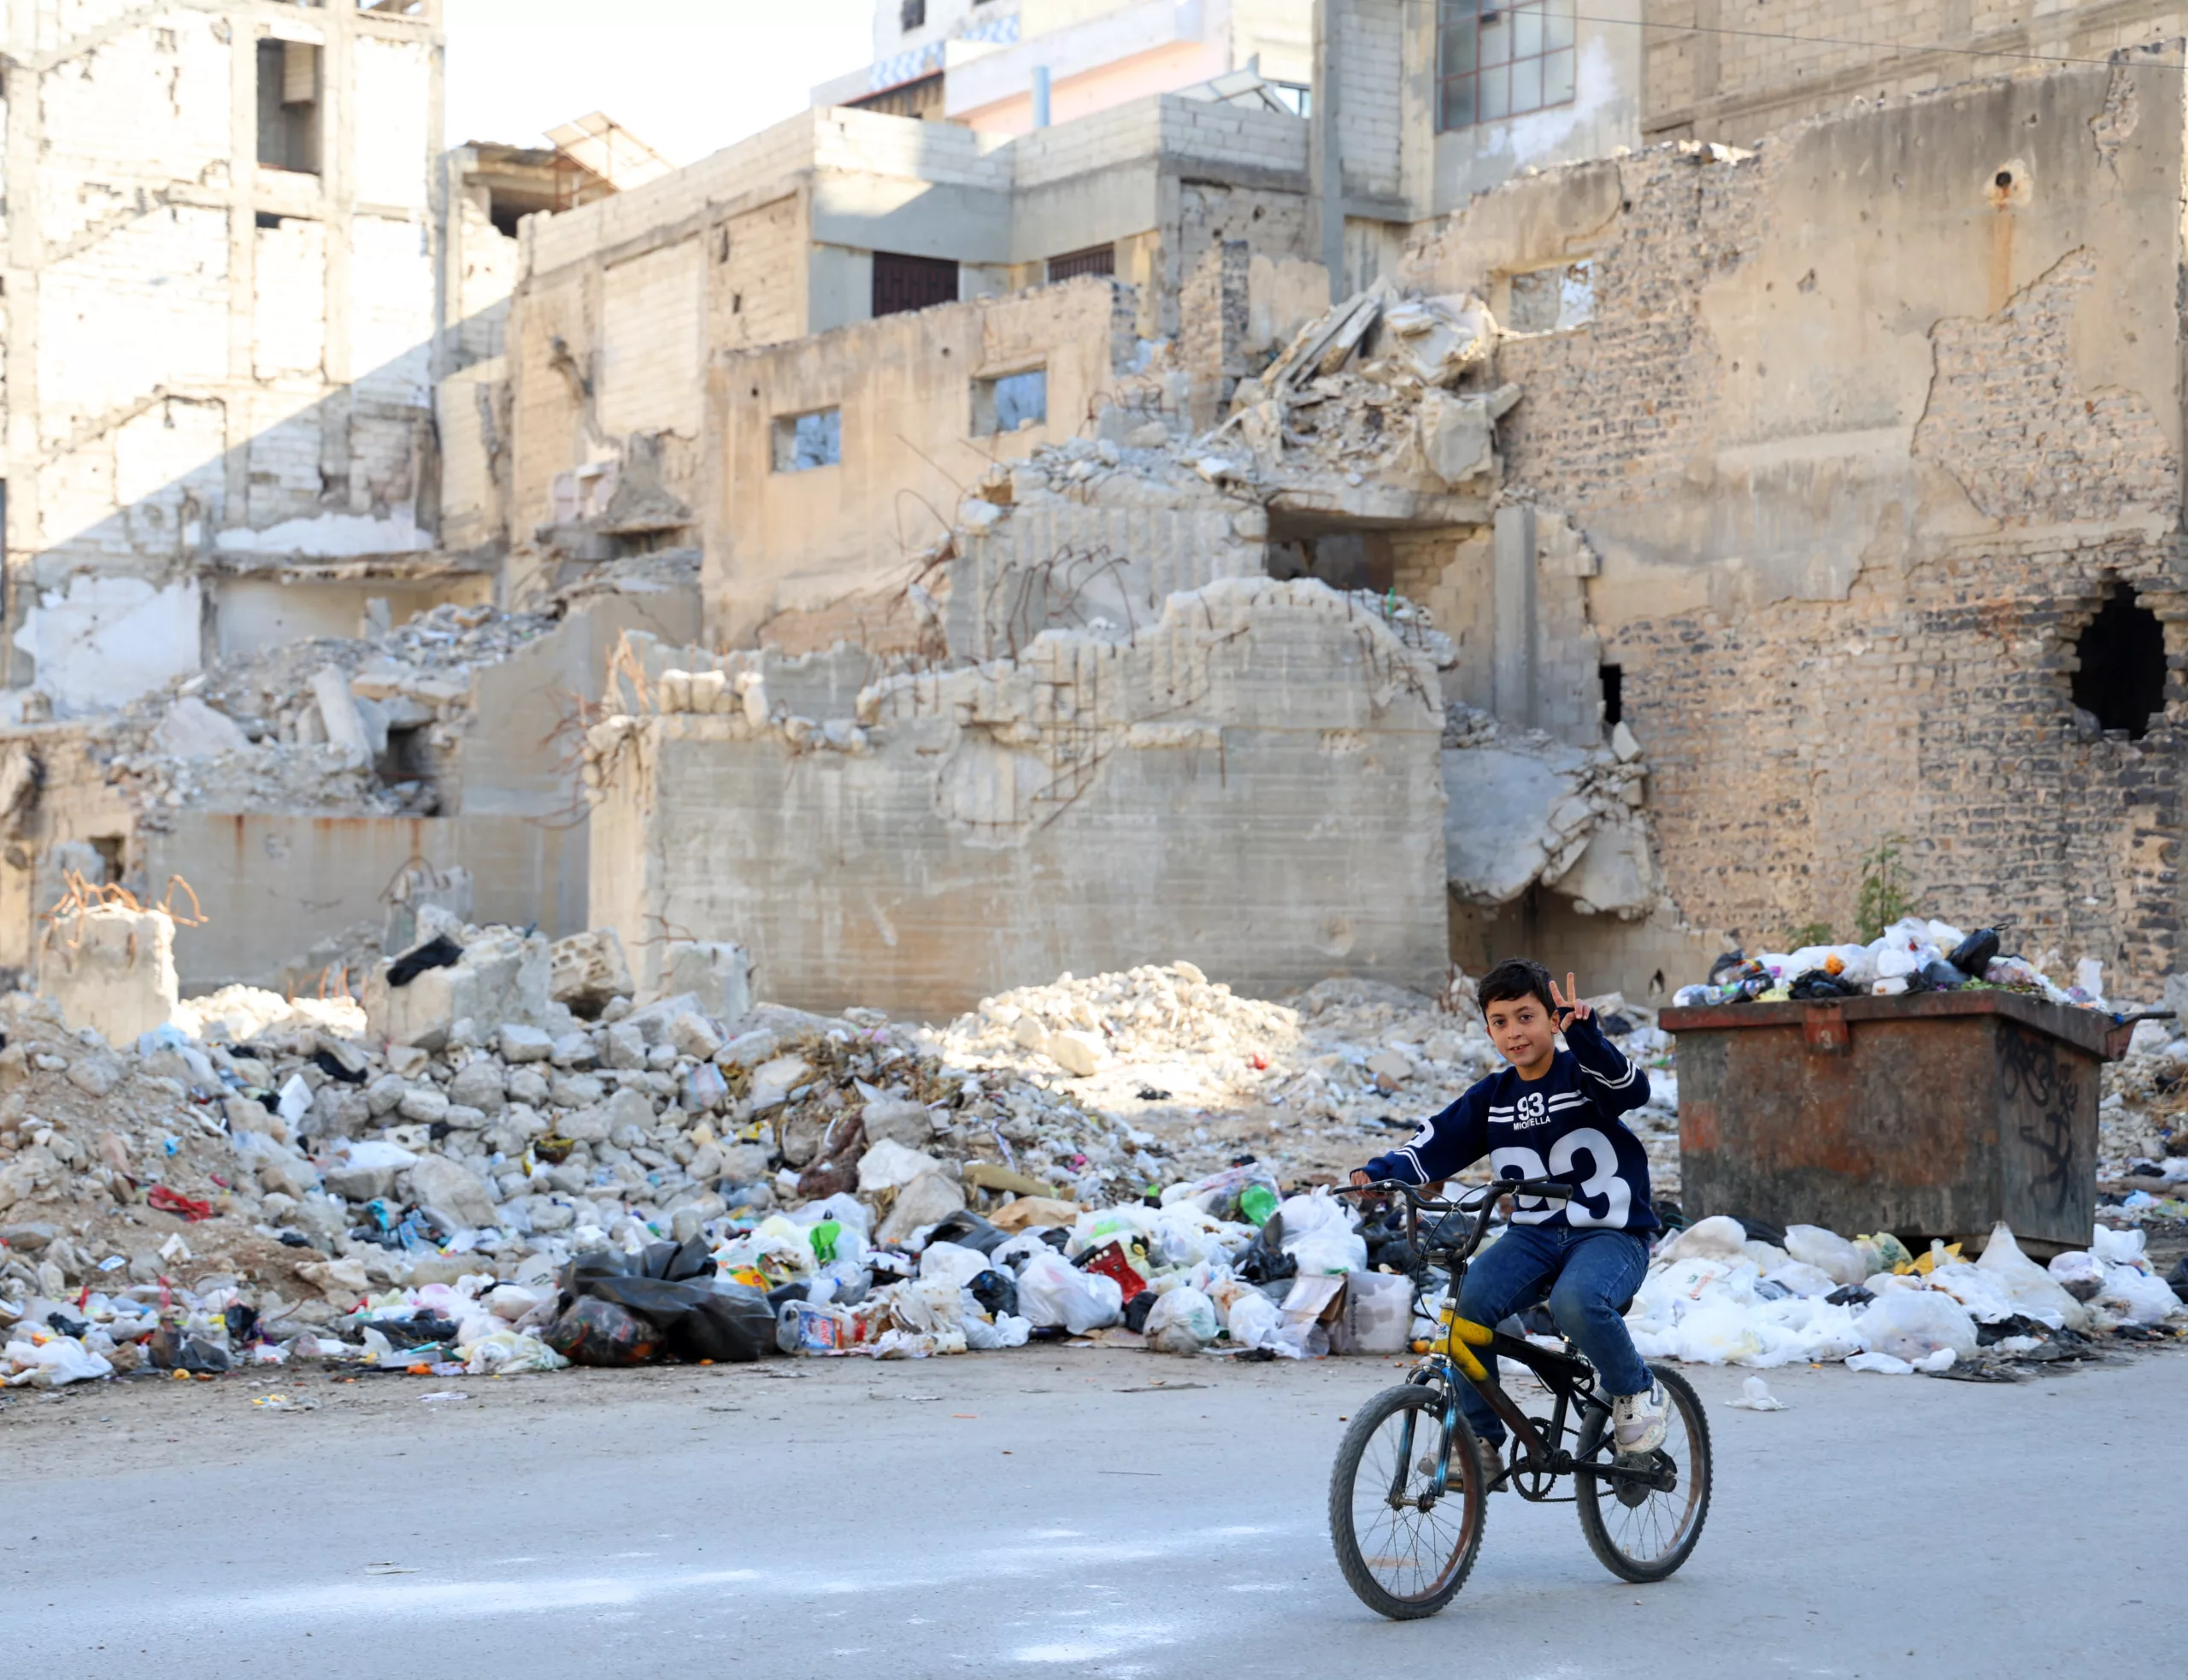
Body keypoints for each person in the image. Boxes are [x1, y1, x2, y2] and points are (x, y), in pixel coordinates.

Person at [1350, 957, 1665, 1478]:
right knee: (1463, 1311)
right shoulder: (1493, 1097)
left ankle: (1636, 1389)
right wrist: (1381, 1174)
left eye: (1526, 1017)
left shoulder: (1583, 1072)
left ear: (1551, 1020)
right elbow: (1436, 1141)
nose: (1514, 1032)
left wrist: (1584, 1035)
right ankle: (1480, 1440)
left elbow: (1631, 1090)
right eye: (1500, 1021)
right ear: (1488, 1031)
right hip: (1533, 1239)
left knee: (1574, 1302)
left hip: (1612, 1235)